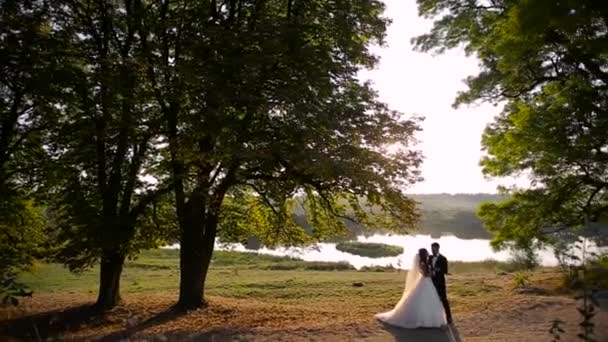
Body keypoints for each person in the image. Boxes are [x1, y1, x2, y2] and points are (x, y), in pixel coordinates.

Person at [375, 248, 447, 328]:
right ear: (424, 254)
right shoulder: (423, 263)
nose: (428, 253)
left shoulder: (423, 262)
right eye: (426, 252)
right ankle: (422, 320)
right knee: (424, 299)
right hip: (425, 281)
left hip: (426, 282)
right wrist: (432, 273)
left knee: (425, 299)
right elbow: (426, 274)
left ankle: (424, 319)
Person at [429, 242, 453, 324]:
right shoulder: (429, 257)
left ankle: (449, 317)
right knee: (432, 299)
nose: (432, 250)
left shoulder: (443, 258)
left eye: (434, 248)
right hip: (431, 281)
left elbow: (445, 271)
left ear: (438, 248)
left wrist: (439, 270)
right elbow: (428, 267)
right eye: (431, 248)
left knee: (443, 298)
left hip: (440, 281)